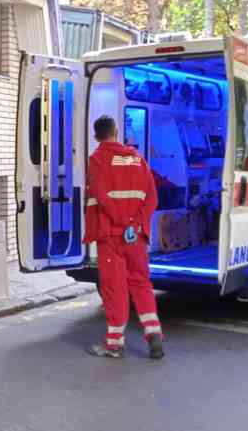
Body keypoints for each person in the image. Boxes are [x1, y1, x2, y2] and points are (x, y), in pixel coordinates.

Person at [84, 115, 165, 360]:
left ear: (96, 135)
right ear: (116, 132)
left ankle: (114, 344)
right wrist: (136, 223)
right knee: (141, 283)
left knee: (115, 288)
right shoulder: (138, 159)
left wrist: (121, 222)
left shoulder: (97, 159)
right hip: (136, 236)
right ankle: (154, 335)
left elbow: (100, 194)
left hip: (112, 235)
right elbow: (151, 198)